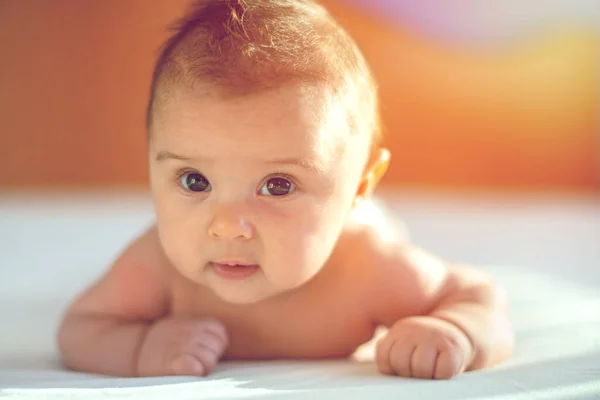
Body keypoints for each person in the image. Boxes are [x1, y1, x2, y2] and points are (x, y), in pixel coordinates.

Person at [57, 0, 513, 380]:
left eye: (277, 186)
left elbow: (477, 294)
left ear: (359, 187)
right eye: (195, 181)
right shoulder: (157, 264)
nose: (228, 227)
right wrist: (139, 348)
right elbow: (80, 329)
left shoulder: (368, 267)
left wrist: (459, 330)